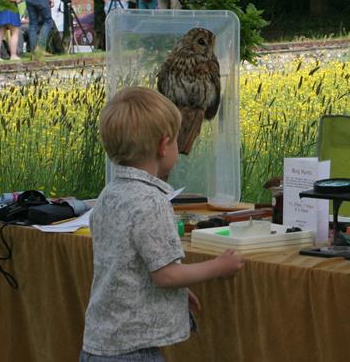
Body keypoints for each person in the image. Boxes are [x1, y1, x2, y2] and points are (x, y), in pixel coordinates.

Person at [81, 86, 245, 361]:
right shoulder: (152, 201)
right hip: (134, 351)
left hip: (100, 343)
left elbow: (129, 265)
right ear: (163, 145)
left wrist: (178, 294)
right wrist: (219, 266)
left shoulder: (109, 194)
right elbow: (166, 275)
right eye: (176, 141)